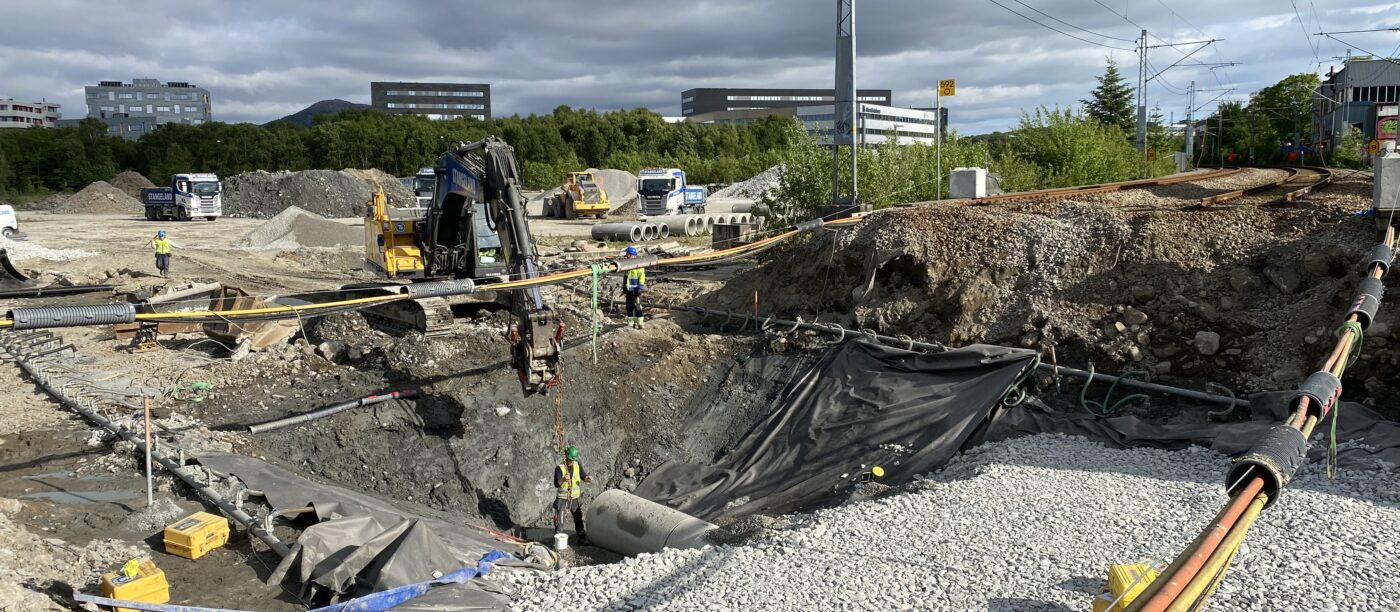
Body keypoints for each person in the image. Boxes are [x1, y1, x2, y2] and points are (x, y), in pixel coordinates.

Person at [553, 445, 593, 539]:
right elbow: (556, 483)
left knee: (578, 516)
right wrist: (563, 479)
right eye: (570, 459)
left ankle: (581, 537)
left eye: (573, 459)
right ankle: (558, 540)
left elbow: (583, 476)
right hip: (562, 497)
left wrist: (588, 478)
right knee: (560, 519)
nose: (572, 461)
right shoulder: (560, 468)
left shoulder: (577, 465)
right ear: (566, 457)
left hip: (574, 497)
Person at [623, 246, 646, 329]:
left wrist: (640, 287)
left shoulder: (638, 265)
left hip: (636, 290)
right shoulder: (628, 264)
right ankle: (631, 323)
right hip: (629, 290)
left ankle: (640, 323)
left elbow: (642, 276)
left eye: (627, 254)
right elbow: (626, 278)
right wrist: (624, 288)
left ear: (631, 255)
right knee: (629, 307)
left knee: (637, 307)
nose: (626, 255)